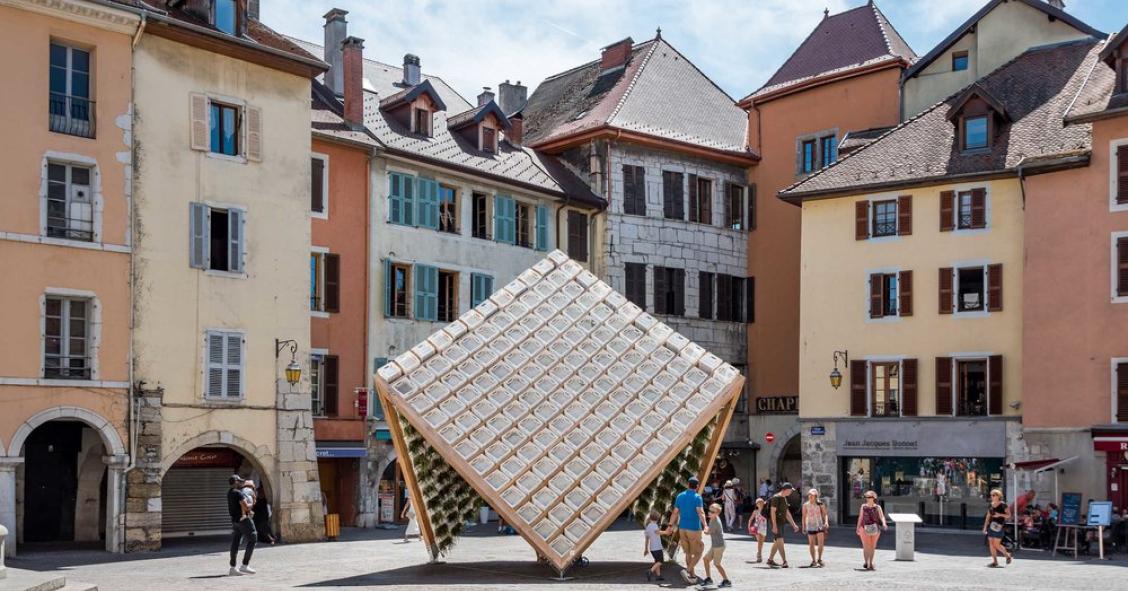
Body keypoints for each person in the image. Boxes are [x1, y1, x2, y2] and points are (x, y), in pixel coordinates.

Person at [669, 476, 708, 584]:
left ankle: (692, 576)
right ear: (697, 486)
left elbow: (675, 512)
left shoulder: (680, 496)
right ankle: (688, 570)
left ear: (688, 485)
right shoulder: (697, 497)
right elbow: (700, 512)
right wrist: (705, 525)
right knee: (699, 550)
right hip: (694, 528)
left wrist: (670, 524)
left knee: (688, 552)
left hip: (682, 528)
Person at [227, 475, 257, 576]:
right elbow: (246, 506)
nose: (241, 483)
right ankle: (244, 565)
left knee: (235, 542)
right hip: (243, 520)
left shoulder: (230, 493)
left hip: (235, 521)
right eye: (239, 481)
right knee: (253, 538)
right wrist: (252, 502)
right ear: (235, 482)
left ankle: (232, 568)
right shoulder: (238, 493)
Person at [767, 482, 799, 568]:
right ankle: (784, 561)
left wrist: (794, 524)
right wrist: (774, 525)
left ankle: (770, 560)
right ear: (785, 490)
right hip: (776, 523)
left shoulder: (784, 498)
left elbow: (787, 513)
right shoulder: (776, 498)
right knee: (780, 541)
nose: (791, 492)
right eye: (790, 490)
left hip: (781, 523)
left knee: (777, 542)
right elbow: (772, 512)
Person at [855, 490, 887, 571]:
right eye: (866, 497)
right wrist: (858, 527)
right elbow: (860, 517)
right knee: (866, 546)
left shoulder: (878, 507)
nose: (867, 499)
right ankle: (867, 562)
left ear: (874, 498)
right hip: (864, 528)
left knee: (872, 546)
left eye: (869, 497)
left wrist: (884, 523)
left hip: (875, 528)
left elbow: (882, 516)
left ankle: (870, 563)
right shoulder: (863, 506)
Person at [702, 503, 731, 588]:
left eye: (712, 511)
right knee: (706, 559)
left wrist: (705, 528)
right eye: (709, 510)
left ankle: (727, 580)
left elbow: (707, 532)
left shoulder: (715, 522)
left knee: (717, 564)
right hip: (715, 545)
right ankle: (709, 579)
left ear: (717, 513)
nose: (709, 513)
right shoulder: (713, 518)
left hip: (719, 546)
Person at [643, 510, 673, 582]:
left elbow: (647, 538)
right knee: (661, 561)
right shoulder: (654, 526)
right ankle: (650, 571)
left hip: (652, 548)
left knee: (657, 561)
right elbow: (657, 532)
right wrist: (666, 532)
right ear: (658, 519)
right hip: (657, 548)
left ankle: (658, 576)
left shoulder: (648, 526)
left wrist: (646, 549)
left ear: (650, 518)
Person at [803, 488, 828, 567]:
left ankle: (819, 559)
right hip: (810, 525)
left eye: (812, 495)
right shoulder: (806, 505)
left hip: (819, 525)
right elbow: (803, 516)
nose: (810, 496)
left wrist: (826, 522)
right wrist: (803, 527)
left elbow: (825, 514)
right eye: (809, 494)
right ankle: (813, 560)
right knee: (811, 544)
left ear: (816, 496)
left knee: (821, 543)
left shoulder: (820, 504)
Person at [746, 497, 768, 563]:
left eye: (761, 502)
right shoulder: (755, 511)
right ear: (757, 504)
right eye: (759, 502)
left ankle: (759, 552)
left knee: (761, 542)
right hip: (757, 527)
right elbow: (750, 519)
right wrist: (749, 527)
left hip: (764, 527)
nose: (760, 503)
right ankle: (759, 555)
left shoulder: (766, 510)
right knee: (760, 541)